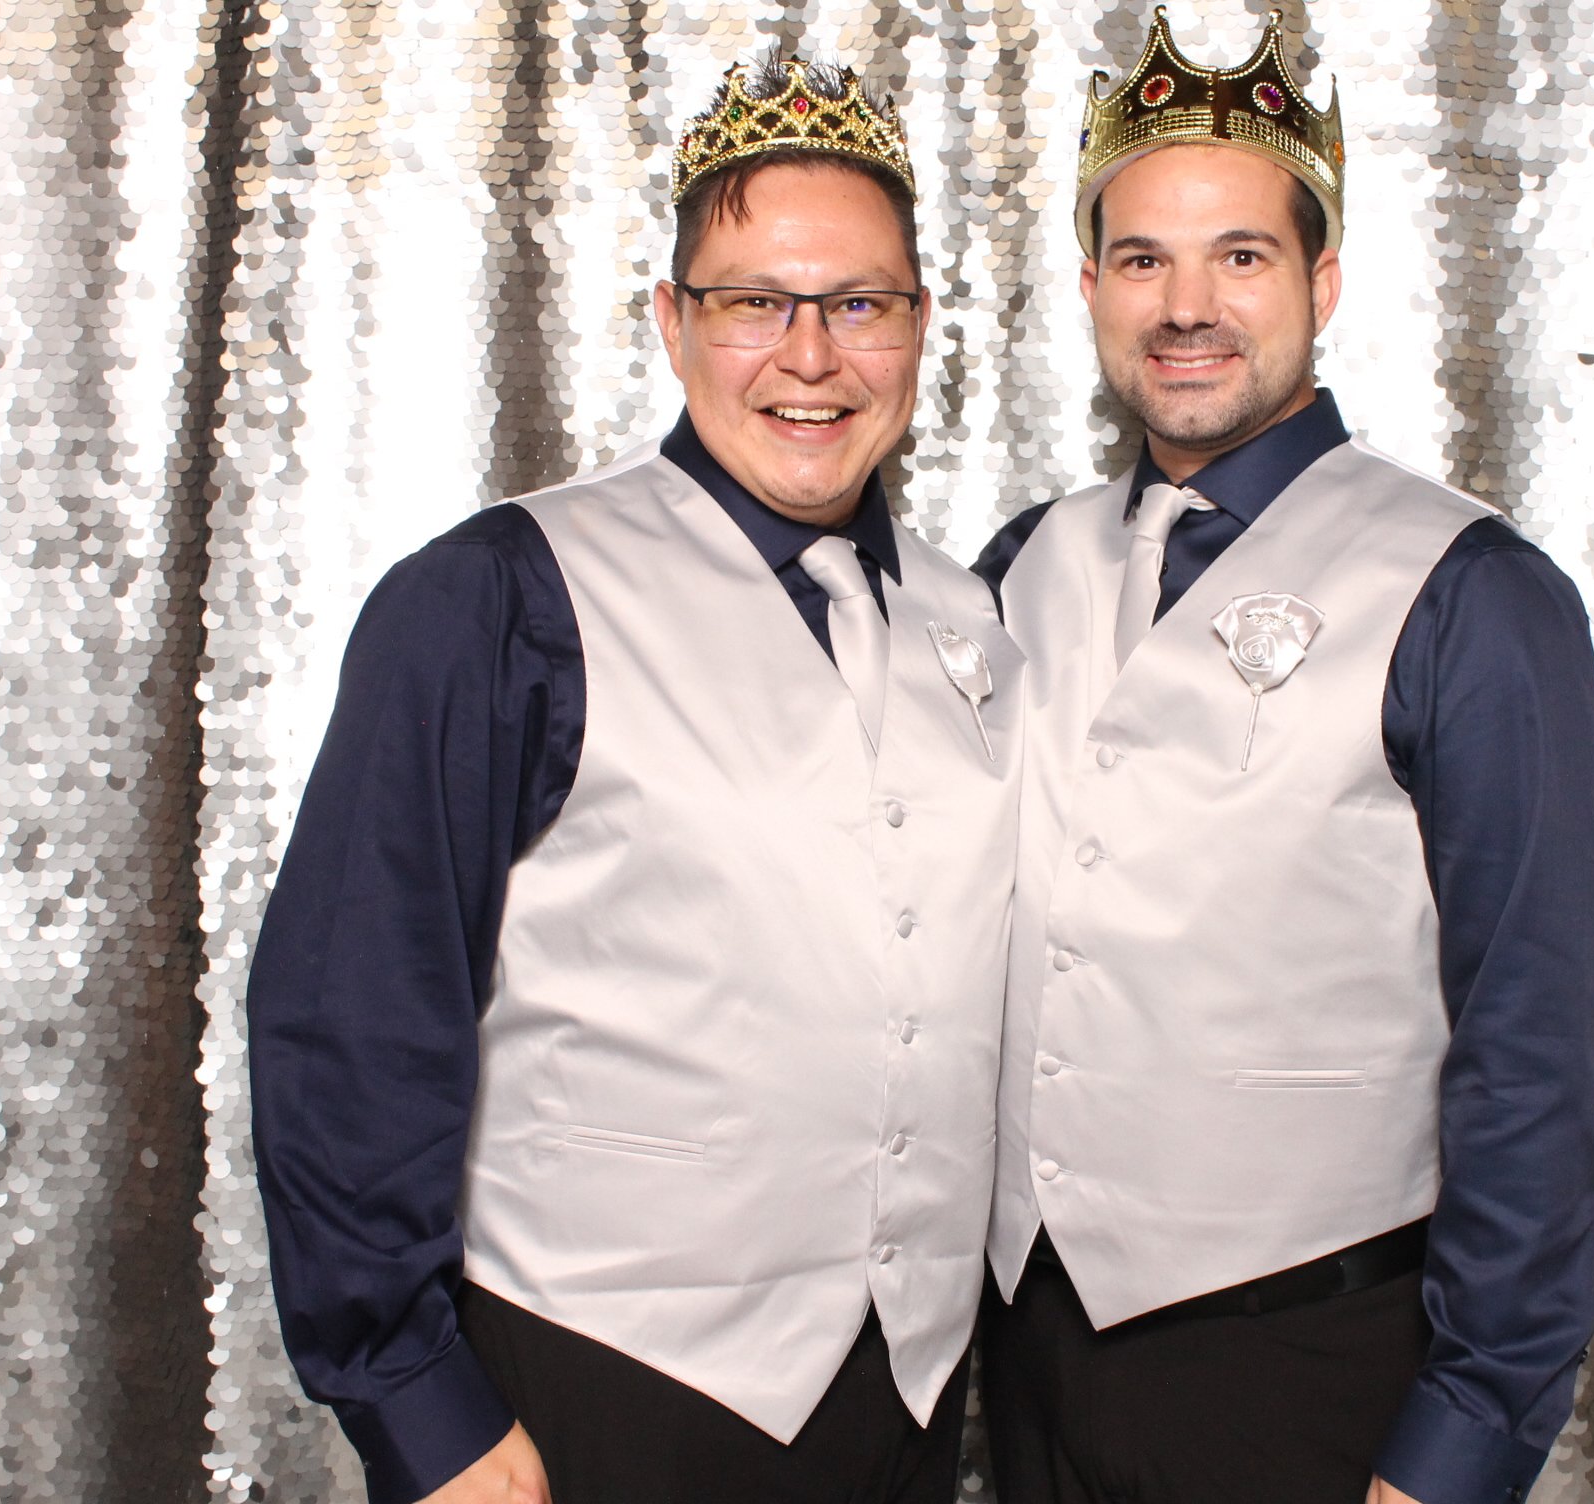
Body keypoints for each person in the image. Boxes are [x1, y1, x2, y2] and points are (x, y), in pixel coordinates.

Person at [248, 52, 1023, 1504]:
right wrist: (422, 1412)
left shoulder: (970, 617)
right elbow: (351, 1017)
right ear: (672, 323)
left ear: (919, 331)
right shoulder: (495, 598)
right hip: (593, 1387)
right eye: (753, 304)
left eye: (860, 305)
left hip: (907, 1401)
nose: (811, 356)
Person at [970, 12, 1594, 1504]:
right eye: (1143, 260)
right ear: (1090, 288)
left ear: (1321, 280)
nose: (1188, 305)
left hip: (1306, 1368)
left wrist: (1460, 1449)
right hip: (1020, 1348)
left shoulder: (1473, 595)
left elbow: (1531, 1057)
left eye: (1241, 256)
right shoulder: (1015, 569)